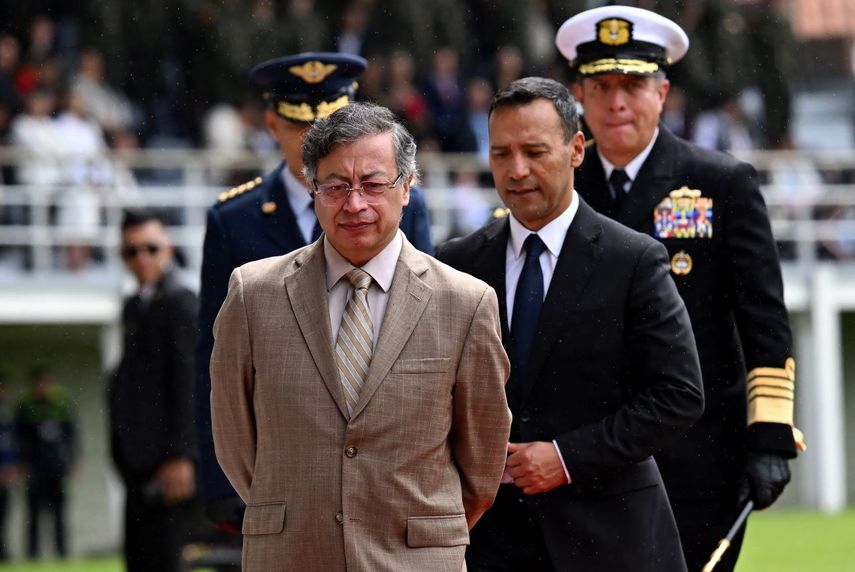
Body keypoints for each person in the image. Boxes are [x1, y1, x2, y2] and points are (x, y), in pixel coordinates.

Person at [210, 102, 511, 571]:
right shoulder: (254, 295)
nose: (354, 204)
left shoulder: (465, 303)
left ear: (407, 187)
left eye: (373, 184)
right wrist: (298, 512)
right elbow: (234, 440)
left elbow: (482, 460)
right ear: (312, 189)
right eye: (335, 186)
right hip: (291, 555)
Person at [557, 6, 801, 571]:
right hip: (586, 456)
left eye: (633, 85)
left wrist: (769, 433)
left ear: (662, 91)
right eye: (601, 86)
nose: (616, 102)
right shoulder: (559, 190)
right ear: (579, 97)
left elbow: (762, 319)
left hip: (698, 456)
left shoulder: (720, 183)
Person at [435, 77, 704, 572]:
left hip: (612, 538)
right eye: (501, 154)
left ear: (577, 149)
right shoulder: (458, 263)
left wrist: (566, 457)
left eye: (535, 151)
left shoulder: (633, 260)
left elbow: (678, 394)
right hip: (491, 544)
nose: (517, 170)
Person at [194, 52, 435, 534]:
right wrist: (225, 482)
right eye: (299, 125)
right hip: (278, 463)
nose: (314, 140)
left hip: (387, 464)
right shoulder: (233, 219)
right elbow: (217, 359)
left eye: (329, 125)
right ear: (271, 123)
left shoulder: (403, 201)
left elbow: (422, 327)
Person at [109, 209, 198, 572]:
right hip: (137, 465)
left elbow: (190, 384)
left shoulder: (181, 302)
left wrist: (181, 456)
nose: (142, 258)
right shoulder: (134, 306)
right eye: (132, 251)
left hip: (169, 468)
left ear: (168, 249)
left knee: (166, 560)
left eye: (150, 248)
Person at [15, 366, 76, 559]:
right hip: (35, 468)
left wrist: (72, 460)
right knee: (34, 514)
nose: (44, 387)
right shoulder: (26, 407)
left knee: (60, 513)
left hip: (57, 466)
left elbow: (71, 435)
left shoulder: (62, 405)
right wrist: (22, 463)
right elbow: (20, 438)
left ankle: (62, 553)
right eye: (40, 383)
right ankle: (32, 555)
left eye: (47, 382)